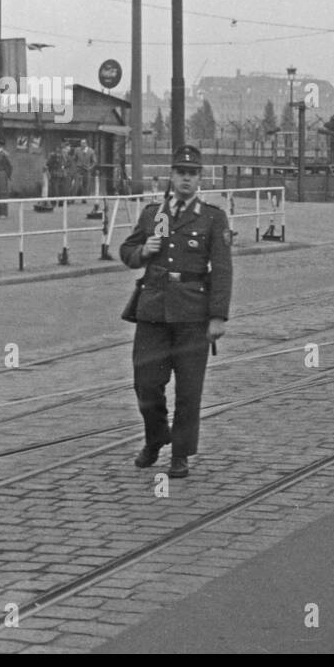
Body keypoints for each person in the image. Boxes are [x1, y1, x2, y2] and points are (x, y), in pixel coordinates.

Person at [120, 145, 232, 480]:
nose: (186, 178)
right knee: (146, 383)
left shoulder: (213, 217)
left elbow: (223, 270)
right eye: (181, 172)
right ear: (171, 175)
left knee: (189, 389)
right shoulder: (154, 213)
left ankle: (180, 454)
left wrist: (217, 317)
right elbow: (126, 251)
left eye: (192, 173)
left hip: (192, 314)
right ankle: (156, 439)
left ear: (200, 178)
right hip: (153, 311)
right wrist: (143, 250)